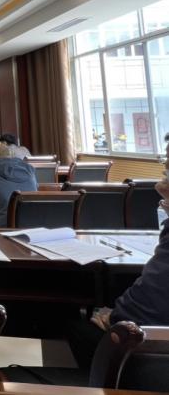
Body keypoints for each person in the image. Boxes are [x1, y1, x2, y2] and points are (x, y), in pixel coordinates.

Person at [67, 134, 169, 369]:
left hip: (148, 357)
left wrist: (115, 317)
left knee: (69, 320)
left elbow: (151, 302)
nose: (163, 170)